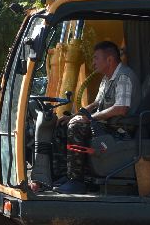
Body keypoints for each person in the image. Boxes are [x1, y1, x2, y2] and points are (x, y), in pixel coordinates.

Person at [55, 40, 136, 194]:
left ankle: (77, 181)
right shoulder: (106, 79)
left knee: (76, 127)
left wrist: (90, 119)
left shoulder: (124, 77)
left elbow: (121, 108)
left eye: (96, 58)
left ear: (109, 60)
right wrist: (74, 116)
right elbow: (96, 103)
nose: (93, 63)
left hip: (121, 129)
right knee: (64, 124)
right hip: (107, 125)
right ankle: (66, 175)